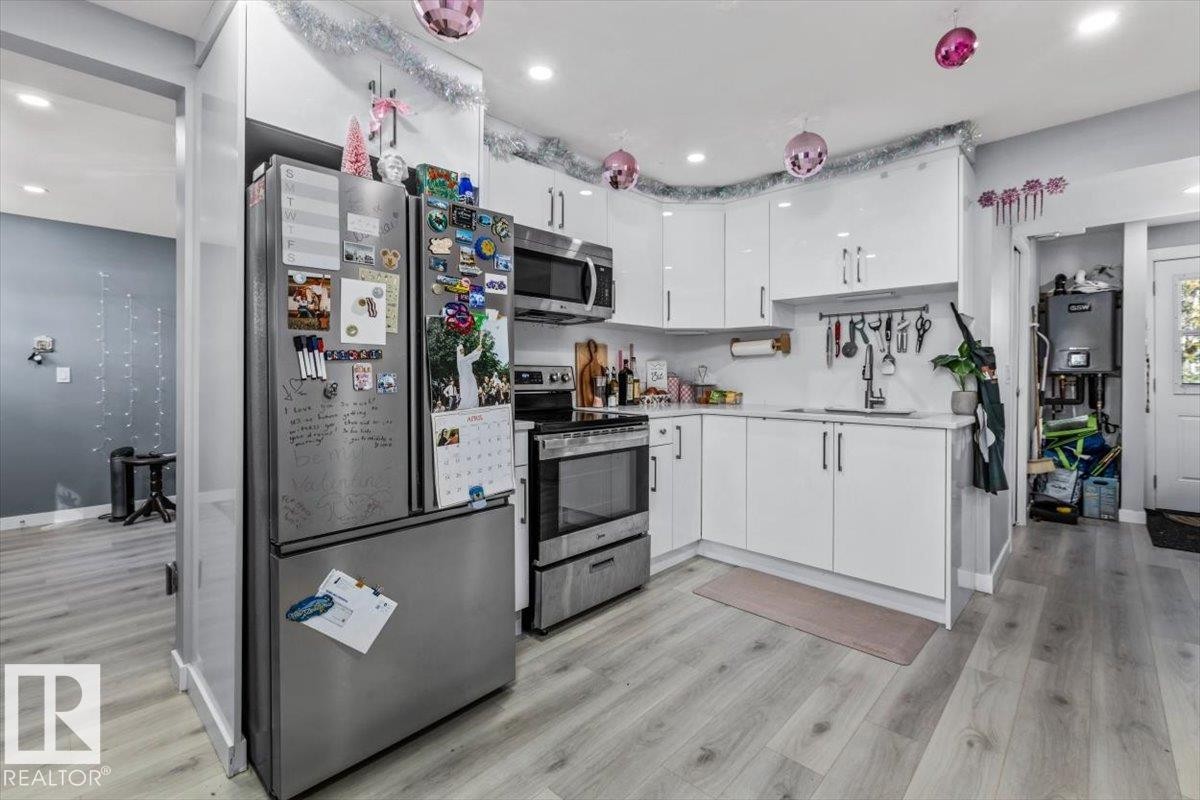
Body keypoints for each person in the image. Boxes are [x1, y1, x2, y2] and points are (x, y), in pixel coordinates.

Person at [456, 342, 482, 409]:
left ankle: (473, 408)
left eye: (463, 350)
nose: (462, 351)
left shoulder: (466, 360)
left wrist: (480, 350)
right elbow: (471, 355)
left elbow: (475, 357)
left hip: (471, 379)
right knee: (466, 395)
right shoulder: (461, 360)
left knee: (473, 394)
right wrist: (477, 349)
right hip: (464, 380)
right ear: (458, 351)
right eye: (461, 350)